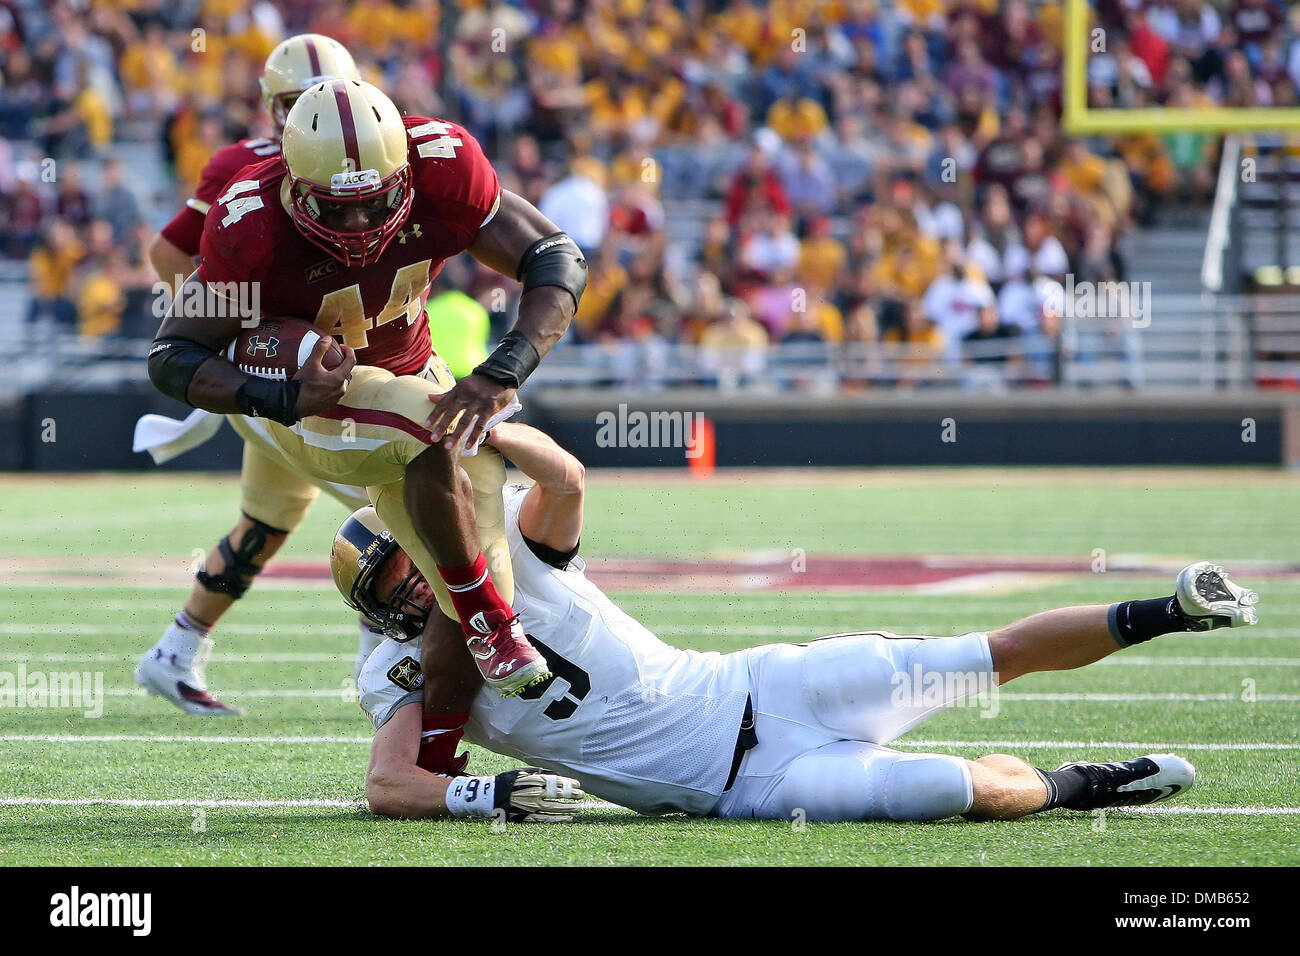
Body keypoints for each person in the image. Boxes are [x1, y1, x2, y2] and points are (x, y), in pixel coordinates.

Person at [343, 423, 1259, 822]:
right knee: (954, 794)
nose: (421, 580)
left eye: (416, 552)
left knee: (991, 658)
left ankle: (1170, 608)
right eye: (397, 574)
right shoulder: (397, 671)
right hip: (744, 788)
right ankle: (1075, 787)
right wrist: (486, 795)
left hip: (760, 681)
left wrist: (491, 425)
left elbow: (566, 480)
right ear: (377, 603)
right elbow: (391, 787)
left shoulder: (511, 552)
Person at [144, 79, 587, 709]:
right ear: (294, 185)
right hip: (319, 401)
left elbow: (556, 257)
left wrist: (503, 370)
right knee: (432, 438)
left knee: (483, 568)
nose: (358, 226)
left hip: (413, 370)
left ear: (403, 175)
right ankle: (489, 624)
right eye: (334, 208)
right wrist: (271, 397)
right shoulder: (252, 223)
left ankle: (429, 755)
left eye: (375, 204)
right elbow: (172, 355)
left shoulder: (444, 169)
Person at [137, 34, 377, 715]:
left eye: (316, 98)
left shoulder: (379, 164)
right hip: (297, 376)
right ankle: (382, 662)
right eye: (292, 102)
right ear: (272, 108)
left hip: (339, 364)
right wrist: (239, 328)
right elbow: (170, 252)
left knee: (266, 522)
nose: (306, 111)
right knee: (388, 500)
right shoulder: (247, 167)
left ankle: (174, 652)